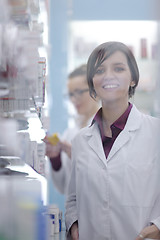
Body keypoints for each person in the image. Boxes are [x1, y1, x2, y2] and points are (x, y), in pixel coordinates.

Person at [65, 41, 160, 240]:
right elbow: (73, 198)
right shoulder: (81, 141)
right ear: (92, 82)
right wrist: (73, 224)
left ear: (133, 78)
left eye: (118, 68)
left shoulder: (155, 132)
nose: (109, 75)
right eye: (100, 70)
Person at [44, 64, 99, 195]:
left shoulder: (107, 130)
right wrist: (55, 159)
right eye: (70, 94)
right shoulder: (71, 133)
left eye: (79, 92)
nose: (74, 100)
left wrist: (78, 157)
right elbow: (64, 186)